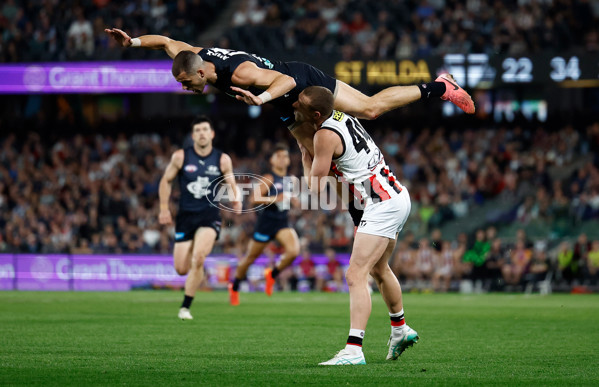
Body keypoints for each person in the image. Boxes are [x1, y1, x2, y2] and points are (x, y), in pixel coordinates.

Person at [104, 28, 475, 155]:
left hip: (297, 81)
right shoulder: (192, 58)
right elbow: (166, 42)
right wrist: (133, 41)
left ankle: (440, 87)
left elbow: (288, 83)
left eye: (188, 83)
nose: (188, 89)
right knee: (314, 157)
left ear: (200, 72)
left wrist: (261, 99)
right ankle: (357, 203)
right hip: (279, 102)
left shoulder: (244, 74)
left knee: (370, 109)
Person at [295, 86, 418, 366]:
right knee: (378, 269)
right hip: (395, 195)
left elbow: (315, 186)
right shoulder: (343, 116)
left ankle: (353, 350)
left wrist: (305, 156)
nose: (294, 108)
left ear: (315, 114)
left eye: (298, 105)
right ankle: (400, 329)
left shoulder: (324, 134)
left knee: (355, 275)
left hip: (381, 204)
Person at [159, 116, 241, 320]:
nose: (202, 133)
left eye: (205, 129)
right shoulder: (180, 157)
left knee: (198, 257)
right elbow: (166, 181)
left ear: (212, 133)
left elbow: (232, 183)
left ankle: (185, 307)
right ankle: (198, 268)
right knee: (180, 269)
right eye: (198, 130)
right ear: (193, 135)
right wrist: (163, 208)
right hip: (185, 217)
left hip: (209, 215)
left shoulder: (222, 159)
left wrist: (236, 200)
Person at [228, 143, 300, 305]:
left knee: (294, 251)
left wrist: (294, 202)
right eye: (279, 156)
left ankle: (272, 275)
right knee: (249, 259)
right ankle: (235, 286)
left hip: (282, 222)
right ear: (272, 161)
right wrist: (275, 198)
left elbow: (290, 200)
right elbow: (253, 199)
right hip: (266, 223)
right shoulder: (269, 178)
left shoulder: (292, 180)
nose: (282, 159)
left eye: (285, 156)